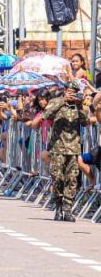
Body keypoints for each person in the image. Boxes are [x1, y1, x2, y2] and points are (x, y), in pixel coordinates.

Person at [44, 81, 90, 221]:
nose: (71, 94)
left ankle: (68, 210)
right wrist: (63, 101)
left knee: (72, 179)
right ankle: (58, 207)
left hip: (73, 148)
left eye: (74, 92)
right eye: (69, 91)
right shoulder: (55, 101)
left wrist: (80, 106)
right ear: (65, 91)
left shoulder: (79, 106)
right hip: (58, 147)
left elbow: (86, 122)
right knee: (57, 178)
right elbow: (47, 114)